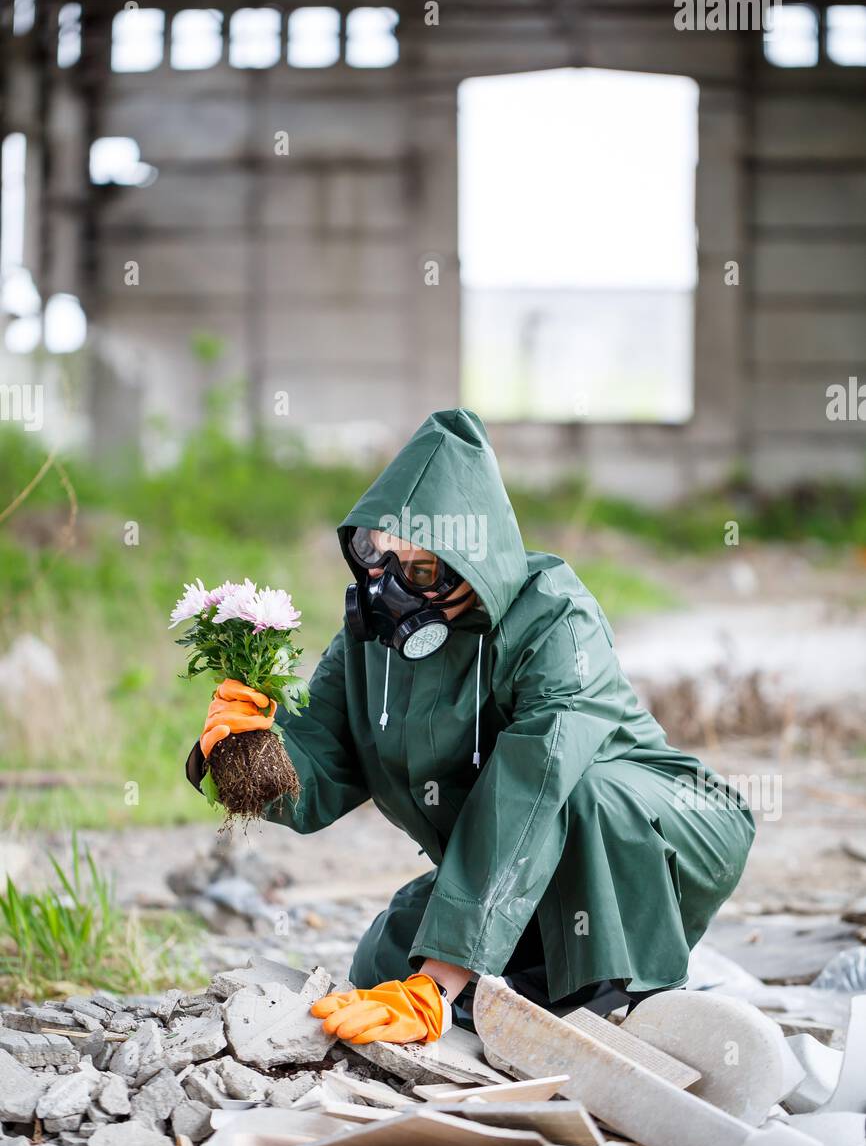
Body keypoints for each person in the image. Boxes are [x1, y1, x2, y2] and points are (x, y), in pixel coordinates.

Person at [186, 408, 756, 1047]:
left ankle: (620, 998)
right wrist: (246, 751)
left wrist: (438, 983)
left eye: (421, 572)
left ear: (474, 565)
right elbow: (318, 769)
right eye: (378, 555)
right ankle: (539, 991)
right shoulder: (368, 643)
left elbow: (533, 785)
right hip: (538, 858)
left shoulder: (555, 619)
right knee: (386, 953)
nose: (389, 589)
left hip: (668, 828)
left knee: (582, 797)